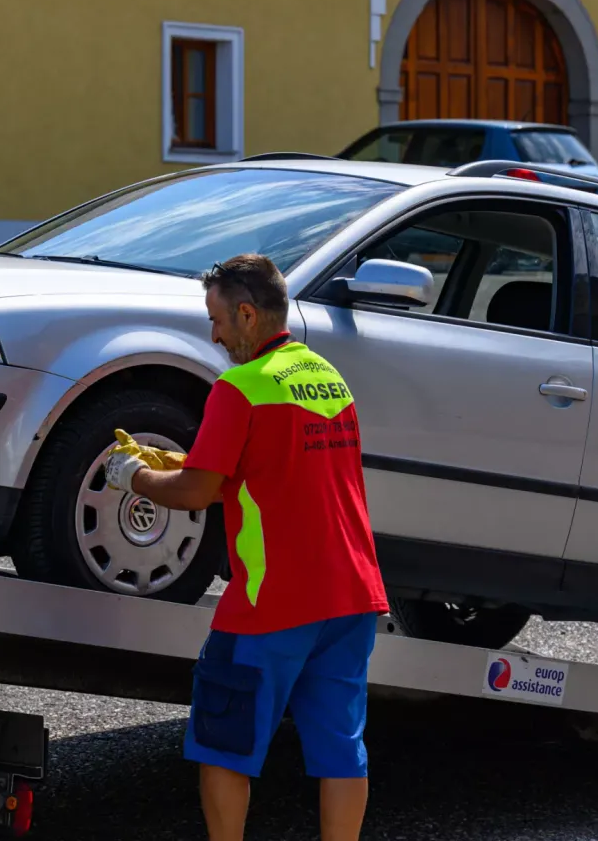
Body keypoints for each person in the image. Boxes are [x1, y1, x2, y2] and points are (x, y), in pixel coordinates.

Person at [103, 253, 390, 841]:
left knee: (223, 744)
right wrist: (185, 463)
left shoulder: (240, 388)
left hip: (272, 602)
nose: (213, 334)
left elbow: (196, 493)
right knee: (340, 750)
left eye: (217, 320)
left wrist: (132, 475)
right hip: (352, 597)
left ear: (247, 314)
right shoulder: (325, 377)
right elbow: (277, 468)